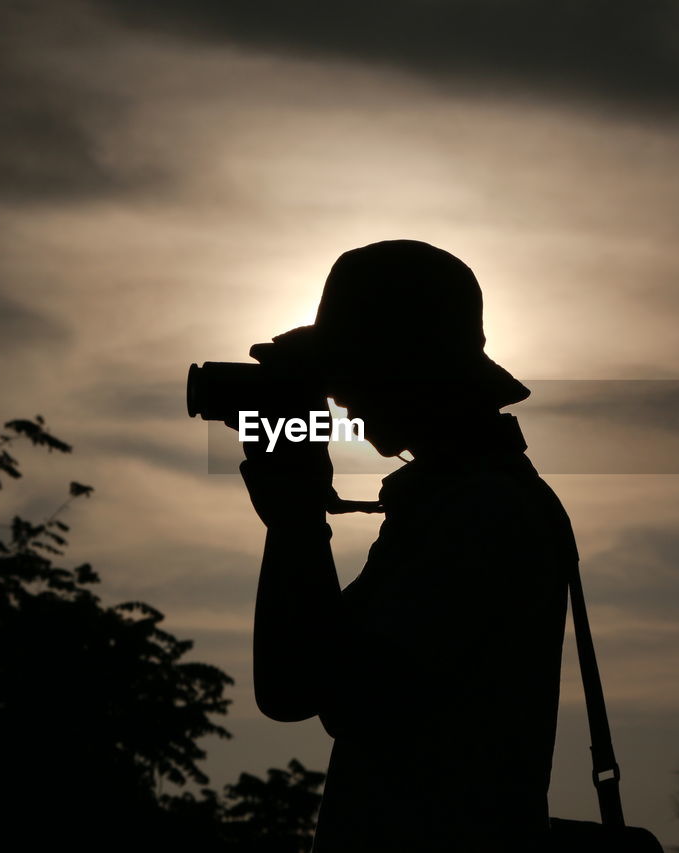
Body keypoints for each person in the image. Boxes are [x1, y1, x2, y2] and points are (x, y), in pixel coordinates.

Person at [238, 240, 576, 852]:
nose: (337, 397)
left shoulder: (480, 512)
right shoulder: (457, 503)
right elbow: (293, 687)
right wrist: (294, 514)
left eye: (349, 370)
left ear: (406, 368)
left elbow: (328, 695)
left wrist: (296, 519)